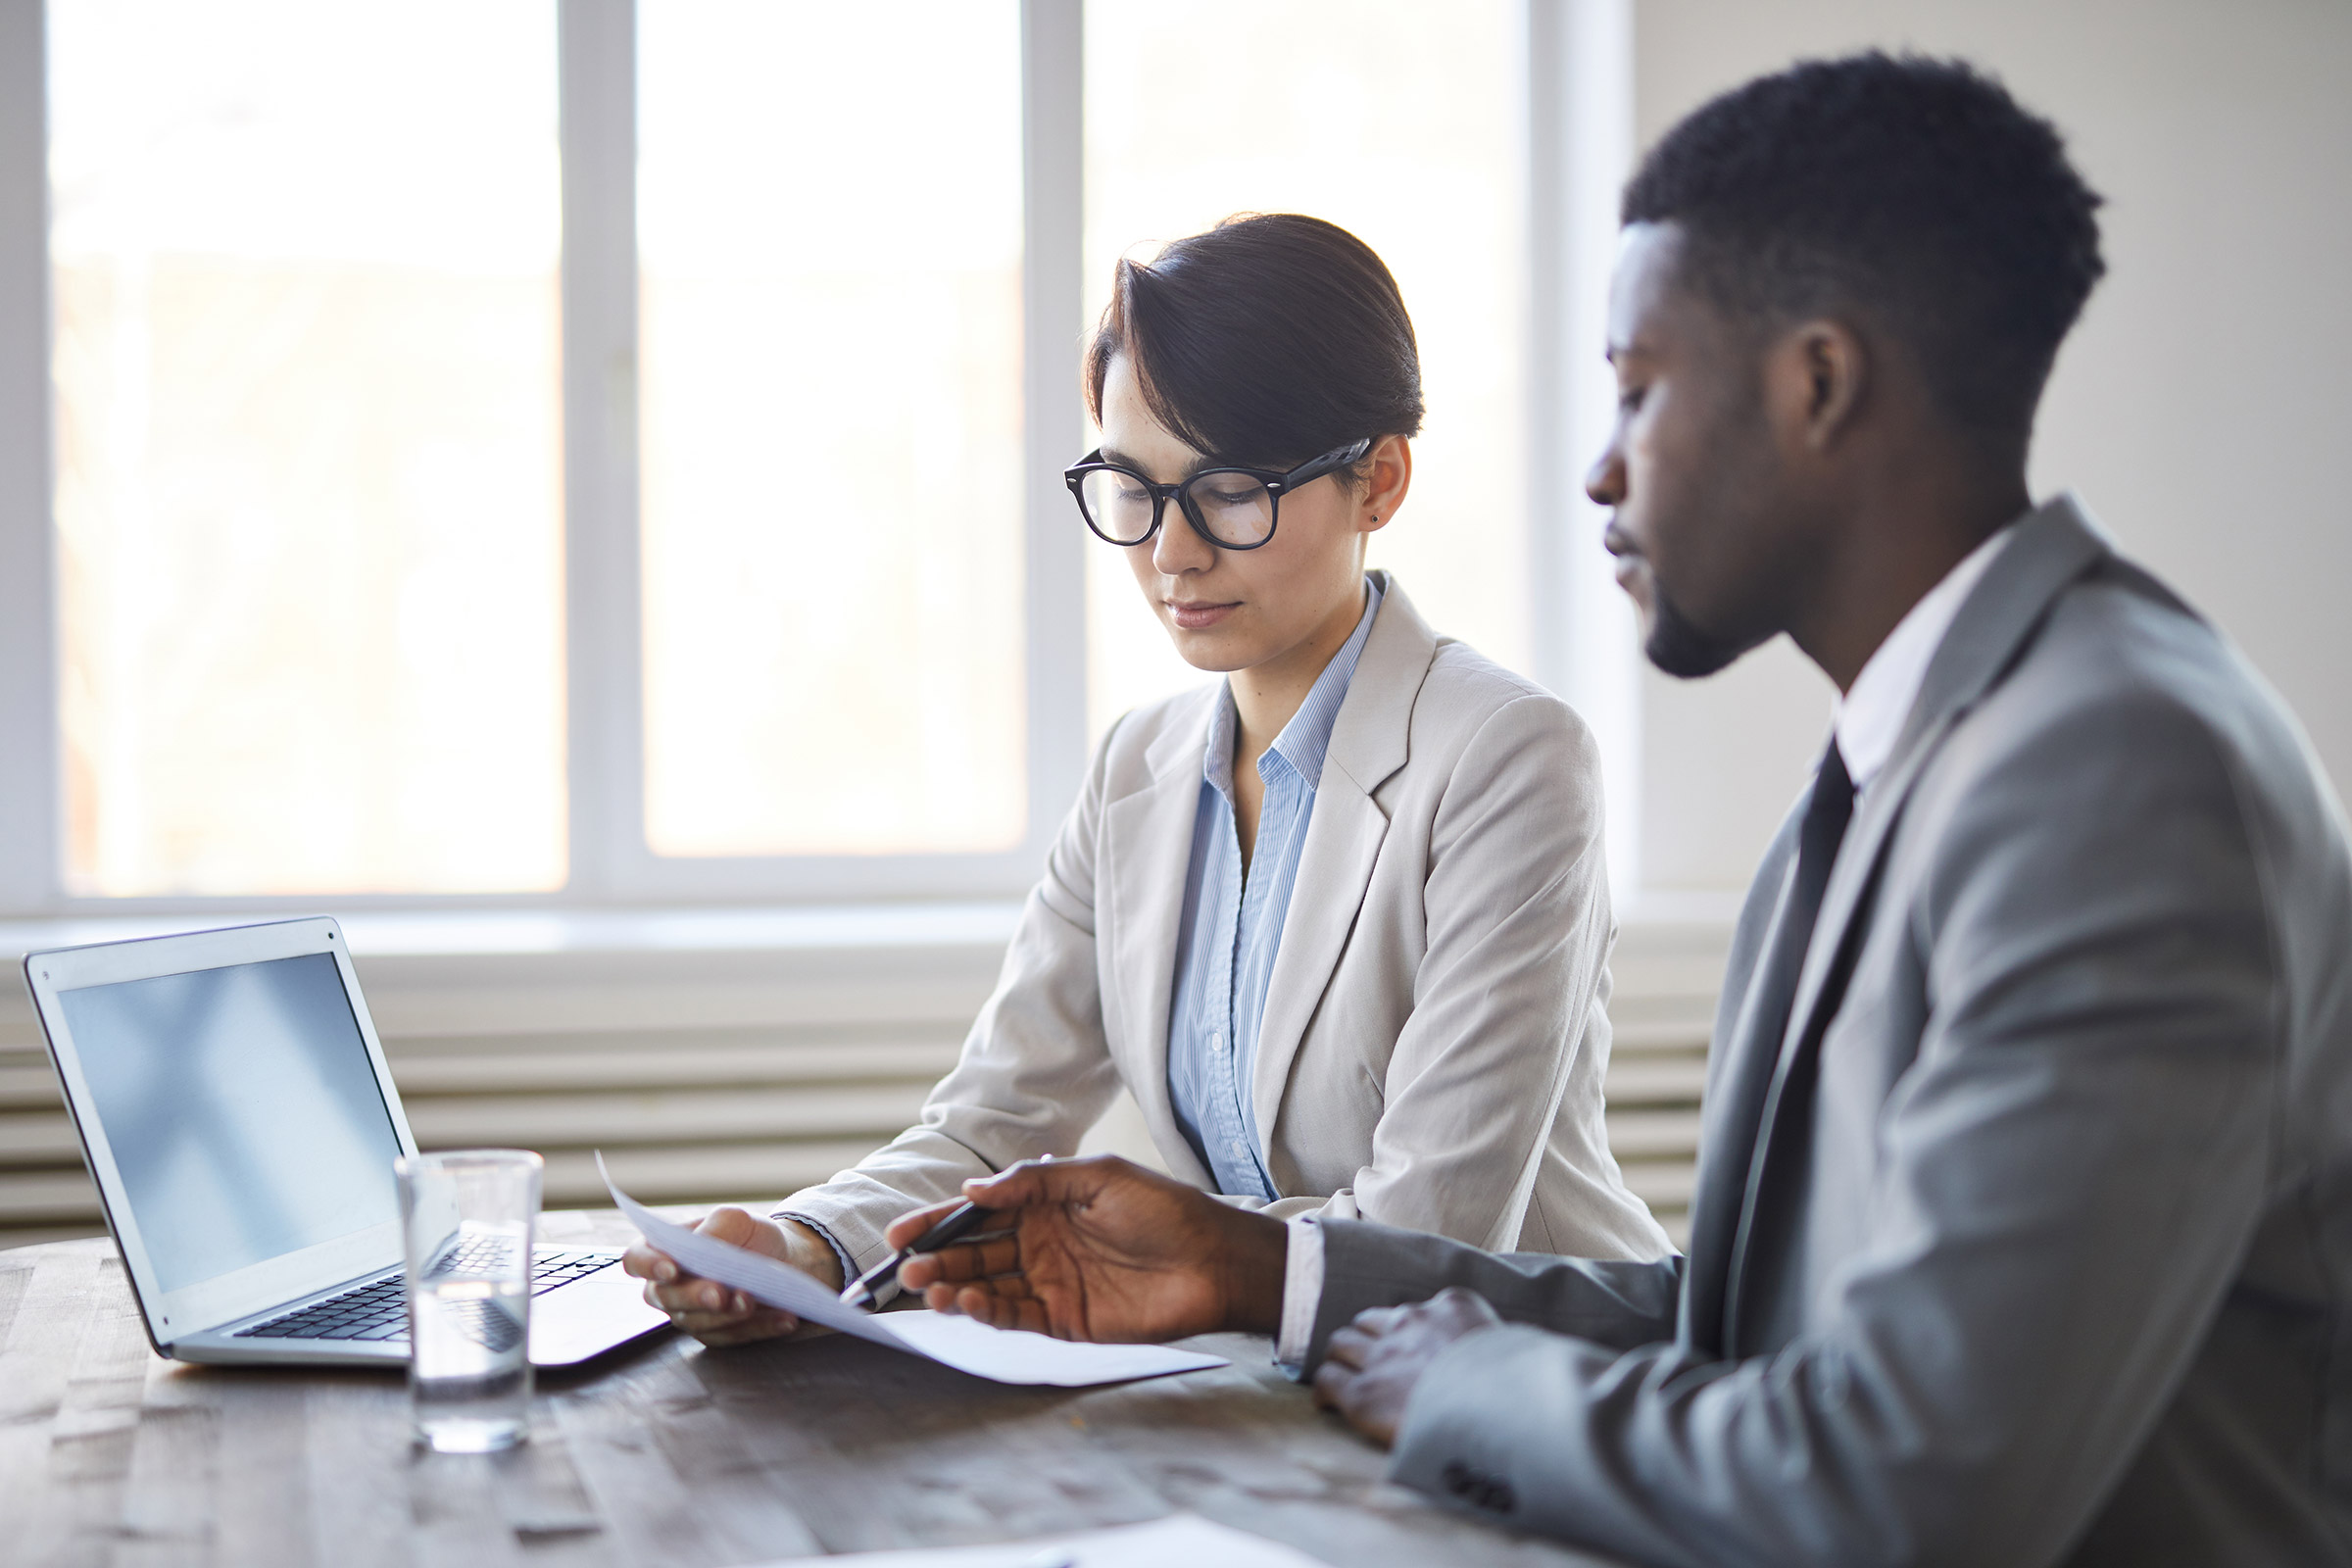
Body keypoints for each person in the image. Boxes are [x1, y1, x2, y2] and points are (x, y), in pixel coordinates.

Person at [885, 54, 2352, 1568]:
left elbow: (1917, 1478)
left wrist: (1468, 1379)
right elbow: (1748, 1327)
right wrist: (1253, 1270)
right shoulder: (1905, 757)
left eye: (1639, 390)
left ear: (1818, 386)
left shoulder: (2115, 773)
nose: (1600, 469)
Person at [624, 213, 1670, 1345]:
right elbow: (990, 1125)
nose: (1170, 551)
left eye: (1227, 489)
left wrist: (1173, 1259)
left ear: (1380, 480)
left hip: (1534, 1391)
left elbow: (1432, 1222)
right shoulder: (1140, 765)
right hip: (1261, 1390)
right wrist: (794, 1249)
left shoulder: (1510, 758)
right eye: (1131, 486)